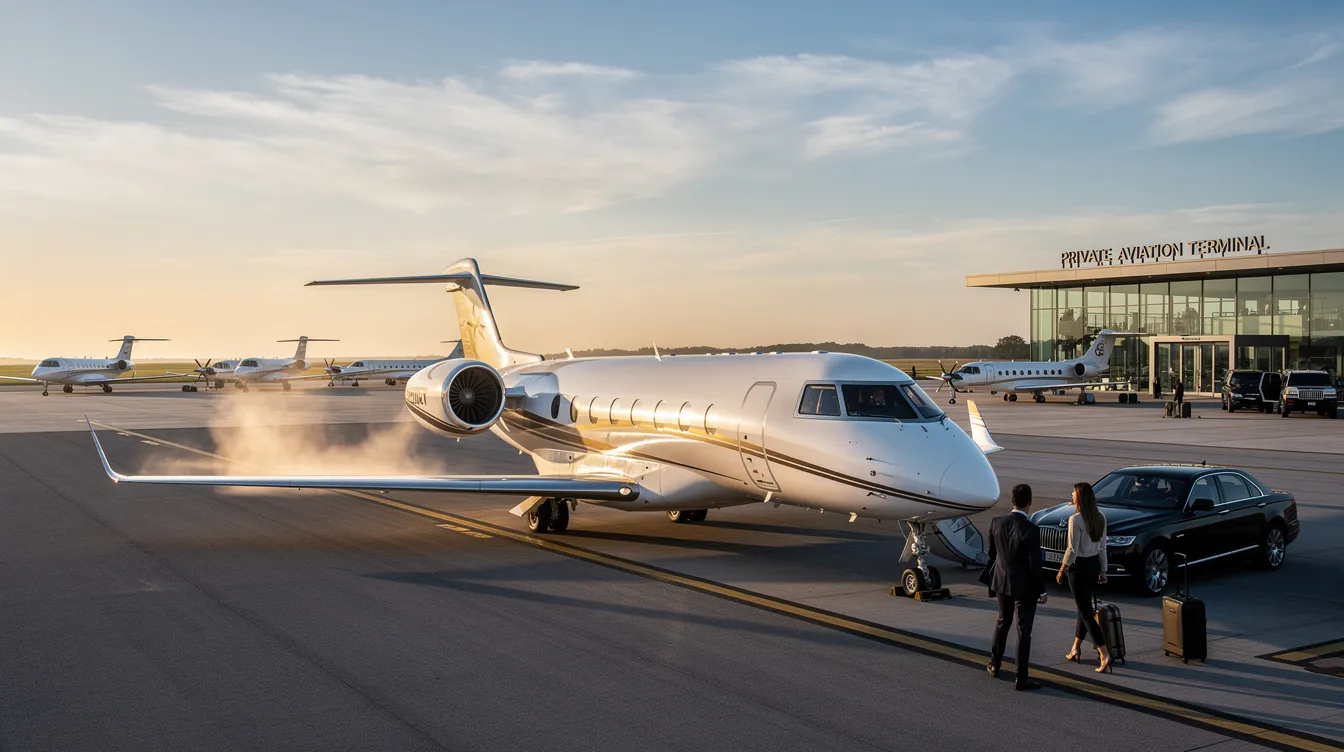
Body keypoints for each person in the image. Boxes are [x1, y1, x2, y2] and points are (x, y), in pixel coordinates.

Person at [981, 483, 1048, 691]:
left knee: (1002, 621)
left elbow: (992, 555)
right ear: (1030, 503)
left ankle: (995, 664)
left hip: (1001, 581)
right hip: (1024, 587)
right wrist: (1042, 590)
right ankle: (1021, 677)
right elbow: (1034, 565)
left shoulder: (996, 523)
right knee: (1023, 631)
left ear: (1011, 501)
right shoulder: (1031, 530)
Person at [1054, 482, 1114, 673]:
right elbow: (1103, 547)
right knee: (1084, 607)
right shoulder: (1100, 517)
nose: (1071, 494)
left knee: (1086, 612)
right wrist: (1103, 570)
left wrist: (1061, 570)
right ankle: (1075, 649)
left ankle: (1104, 654)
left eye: (1073, 492)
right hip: (1093, 566)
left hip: (1078, 568)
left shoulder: (1076, 520)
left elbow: (1072, 550)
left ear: (1079, 497)